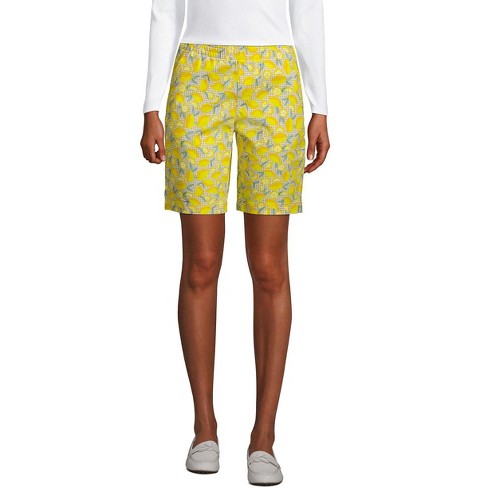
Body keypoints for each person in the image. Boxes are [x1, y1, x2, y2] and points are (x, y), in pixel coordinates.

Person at [140, 0, 330, 484]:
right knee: (200, 263)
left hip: (274, 78)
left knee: (269, 267)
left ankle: (263, 437)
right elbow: (166, 9)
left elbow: (307, 9)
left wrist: (320, 105)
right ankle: (204, 428)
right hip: (197, 76)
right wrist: (151, 104)